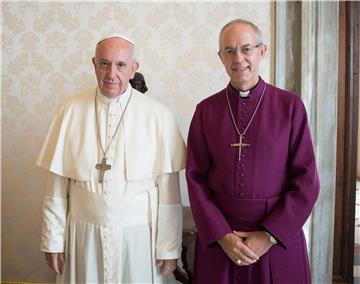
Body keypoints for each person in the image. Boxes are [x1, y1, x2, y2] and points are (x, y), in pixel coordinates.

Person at [37, 34, 186, 283]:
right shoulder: (70, 110)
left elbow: (169, 194)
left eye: (120, 65)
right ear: (93, 64)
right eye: (104, 64)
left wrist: (169, 247)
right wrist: (53, 240)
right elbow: (56, 187)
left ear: (133, 69)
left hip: (139, 239)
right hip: (82, 235)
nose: (111, 73)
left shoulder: (158, 115)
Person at [185, 19, 320, 284]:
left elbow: (307, 182)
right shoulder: (206, 111)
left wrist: (269, 235)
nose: (239, 58)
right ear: (220, 57)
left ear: (262, 51)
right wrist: (223, 236)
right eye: (230, 51)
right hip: (221, 238)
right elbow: (195, 179)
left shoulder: (290, 107)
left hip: (277, 239)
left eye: (246, 49)